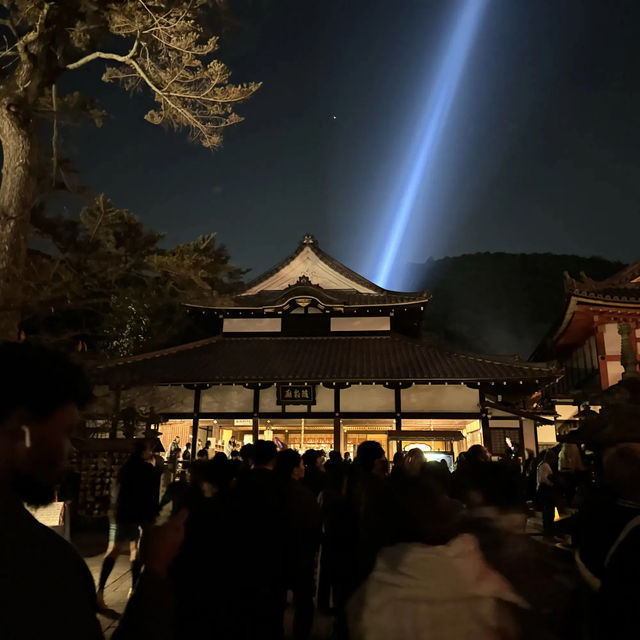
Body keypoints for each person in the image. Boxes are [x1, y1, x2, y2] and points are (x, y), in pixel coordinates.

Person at [0, 342, 187, 640]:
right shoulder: (39, 565)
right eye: (65, 433)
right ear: (21, 429)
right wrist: (154, 575)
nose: (71, 450)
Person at [97, 438, 161, 609]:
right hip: (136, 515)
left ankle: (100, 591)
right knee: (135, 551)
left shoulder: (125, 468)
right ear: (143, 452)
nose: (151, 452)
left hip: (119, 513)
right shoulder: (147, 469)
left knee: (115, 550)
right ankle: (133, 589)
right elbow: (152, 492)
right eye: (149, 449)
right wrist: (155, 467)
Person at [275, 449, 321, 640]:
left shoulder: (273, 490)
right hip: (300, 554)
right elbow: (313, 525)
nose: (304, 468)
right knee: (303, 602)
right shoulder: (302, 494)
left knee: (276, 599)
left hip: (276, 553)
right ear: (294, 469)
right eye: (301, 465)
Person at [536, 449, 557, 537]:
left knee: (546, 511)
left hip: (542, 490)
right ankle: (549, 530)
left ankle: (547, 529)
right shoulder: (545, 465)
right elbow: (544, 479)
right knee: (549, 511)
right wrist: (552, 484)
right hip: (545, 490)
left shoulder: (541, 464)